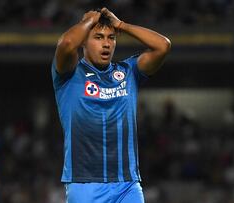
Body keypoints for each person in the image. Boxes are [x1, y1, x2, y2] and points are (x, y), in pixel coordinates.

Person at [51, 7, 171, 203]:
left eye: (111, 38)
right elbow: (66, 43)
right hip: (85, 184)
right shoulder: (69, 74)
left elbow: (163, 46)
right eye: (98, 37)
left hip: (127, 184)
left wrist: (121, 25)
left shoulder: (129, 71)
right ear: (84, 41)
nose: (106, 44)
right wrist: (87, 22)